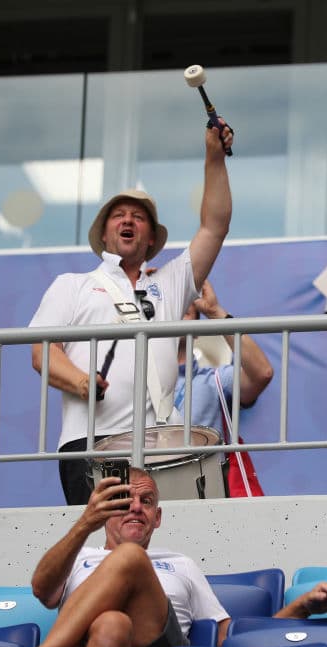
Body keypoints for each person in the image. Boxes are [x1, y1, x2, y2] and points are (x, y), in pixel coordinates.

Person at [29, 122, 234, 505]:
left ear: (152, 238)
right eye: (118, 215)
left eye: (138, 217)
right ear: (104, 235)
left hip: (162, 446)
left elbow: (214, 226)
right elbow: (42, 352)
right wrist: (81, 382)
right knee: (103, 556)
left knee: (166, 553)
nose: (127, 221)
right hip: (91, 443)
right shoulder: (71, 285)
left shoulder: (170, 284)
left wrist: (214, 156)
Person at [28, 467, 327, 647]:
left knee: (130, 557)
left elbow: (233, 638)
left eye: (147, 501)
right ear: (105, 510)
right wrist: (84, 524)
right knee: (111, 623)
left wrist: (301, 607)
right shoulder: (80, 555)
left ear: (157, 517)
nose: (136, 509)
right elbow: (42, 589)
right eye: (124, 500)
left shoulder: (180, 564)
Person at [173, 279, 274, 431]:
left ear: (197, 331)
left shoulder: (216, 380)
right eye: (168, 311)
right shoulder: (132, 379)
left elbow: (262, 374)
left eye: (184, 312)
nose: (174, 316)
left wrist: (215, 312)